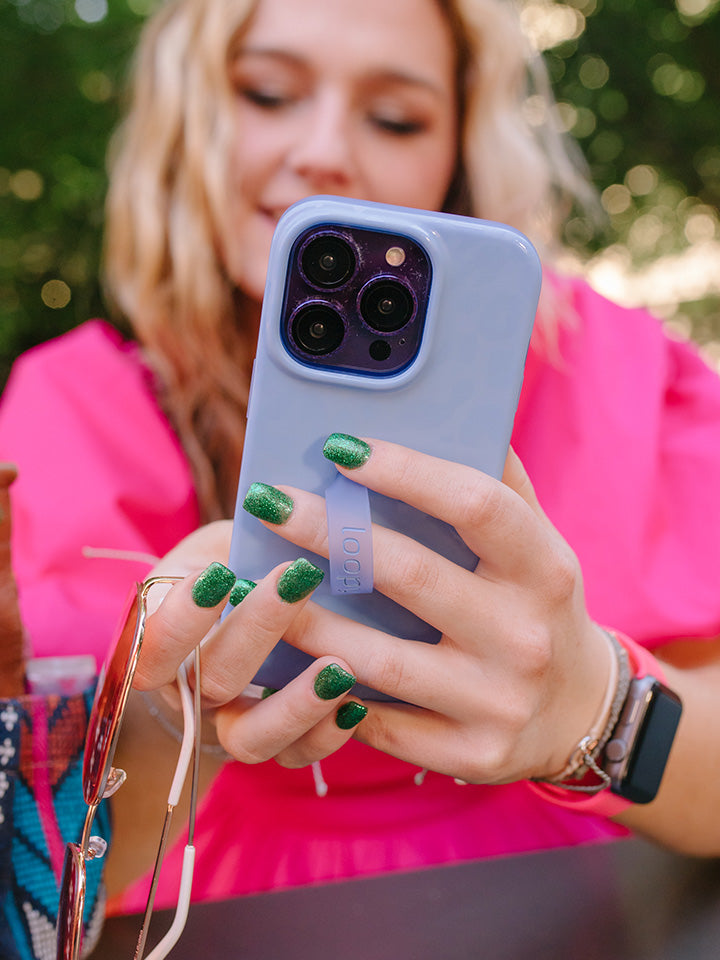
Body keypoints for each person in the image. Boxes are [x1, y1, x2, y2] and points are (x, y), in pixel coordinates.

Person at [2, 0, 720, 930]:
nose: (325, 151)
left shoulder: (615, 372)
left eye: (396, 117)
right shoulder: (69, 405)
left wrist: (597, 705)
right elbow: (44, 884)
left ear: (457, 151)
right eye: (267, 94)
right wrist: (172, 719)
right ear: (191, 118)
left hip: (580, 924)